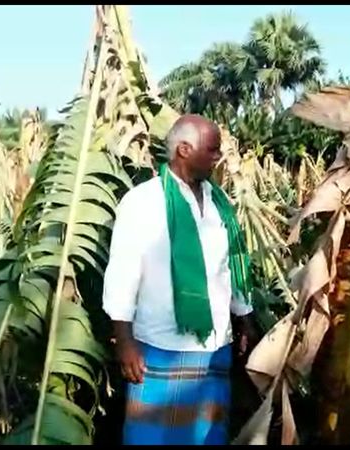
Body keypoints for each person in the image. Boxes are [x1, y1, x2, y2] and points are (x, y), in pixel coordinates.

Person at [102, 114, 259, 445]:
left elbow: (228, 265)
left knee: (207, 436)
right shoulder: (143, 202)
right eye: (212, 149)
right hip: (159, 346)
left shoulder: (219, 204)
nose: (219, 157)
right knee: (152, 437)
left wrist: (244, 317)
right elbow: (122, 274)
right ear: (184, 150)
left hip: (214, 346)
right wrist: (125, 342)